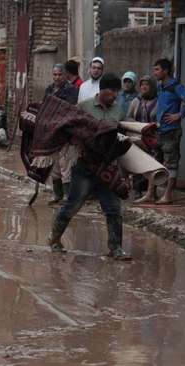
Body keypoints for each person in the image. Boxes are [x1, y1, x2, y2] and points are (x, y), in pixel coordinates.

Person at [49, 73, 131, 260]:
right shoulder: (83, 107)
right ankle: (54, 238)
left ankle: (115, 247)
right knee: (73, 205)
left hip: (107, 168)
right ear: (102, 90)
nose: (115, 95)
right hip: (85, 166)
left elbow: (122, 137)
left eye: (117, 92)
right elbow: (69, 130)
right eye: (112, 91)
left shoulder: (118, 111)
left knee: (113, 208)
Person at [154, 58, 185, 205]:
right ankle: (151, 193)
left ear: (165, 71)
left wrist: (179, 115)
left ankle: (168, 194)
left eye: (157, 69)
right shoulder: (160, 86)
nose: (155, 73)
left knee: (171, 163)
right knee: (155, 162)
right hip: (160, 130)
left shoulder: (175, 86)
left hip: (171, 131)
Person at [44, 63, 79, 205]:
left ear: (65, 75)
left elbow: (68, 109)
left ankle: (67, 196)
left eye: (60, 74)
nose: (57, 77)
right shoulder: (49, 89)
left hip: (65, 132)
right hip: (52, 132)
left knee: (65, 164)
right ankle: (57, 194)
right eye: (55, 74)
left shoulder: (71, 90)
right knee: (54, 165)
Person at [126, 75, 159, 202]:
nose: (144, 87)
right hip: (138, 137)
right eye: (142, 85)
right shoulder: (136, 101)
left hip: (153, 138)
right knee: (138, 164)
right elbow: (128, 117)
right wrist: (138, 126)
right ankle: (138, 190)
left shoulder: (158, 101)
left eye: (147, 84)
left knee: (153, 164)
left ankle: (151, 192)